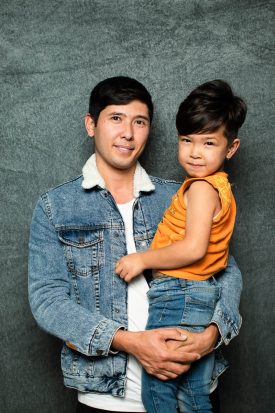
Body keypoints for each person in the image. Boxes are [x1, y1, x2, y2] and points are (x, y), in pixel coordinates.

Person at [28, 76, 243, 413]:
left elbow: (226, 270)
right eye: (116, 118)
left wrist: (211, 336)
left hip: (194, 384)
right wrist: (129, 342)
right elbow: (48, 300)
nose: (128, 132)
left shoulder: (183, 193)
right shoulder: (55, 207)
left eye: (139, 121)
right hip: (108, 397)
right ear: (91, 125)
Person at [115, 80, 247, 413]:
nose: (194, 152)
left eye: (208, 143)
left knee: (158, 389)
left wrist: (141, 259)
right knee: (192, 391)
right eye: (187, 140)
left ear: (231, 149)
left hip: (179, 295)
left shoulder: (202, 188)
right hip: (198, 293)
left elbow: (193, 249)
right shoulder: (218, 186)